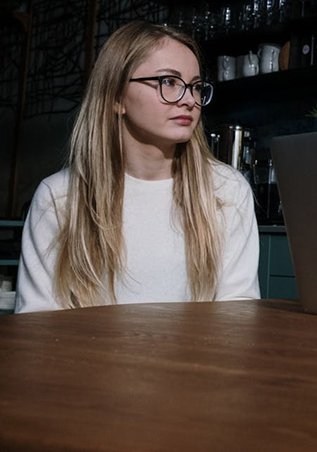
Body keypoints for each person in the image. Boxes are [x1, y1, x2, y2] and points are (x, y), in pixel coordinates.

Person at [15, 21, 260, 312]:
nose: (189, 100)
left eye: (195, 86)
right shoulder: (59, 197)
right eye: (168, 82)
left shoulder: (226, 190)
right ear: (117, 97)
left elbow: (238, 314)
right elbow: (37, 323)